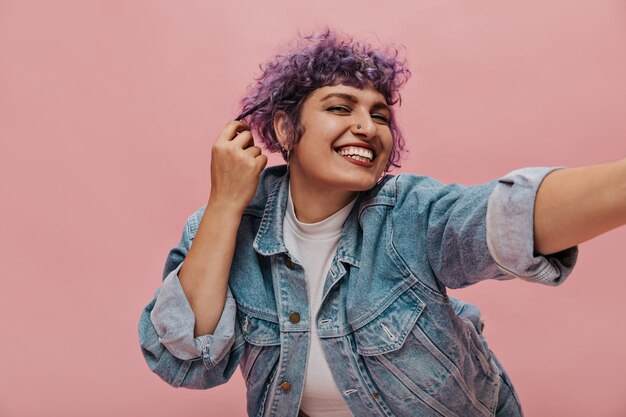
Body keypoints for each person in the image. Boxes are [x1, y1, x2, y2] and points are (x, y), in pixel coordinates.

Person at [138, 29, 626, 417]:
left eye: (380, 114)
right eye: (339, 107)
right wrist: (225, 202)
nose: (368, 127)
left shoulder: (406, 212)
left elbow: (502, 218)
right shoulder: (226, 226)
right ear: (285, 129)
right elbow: (186, 358)